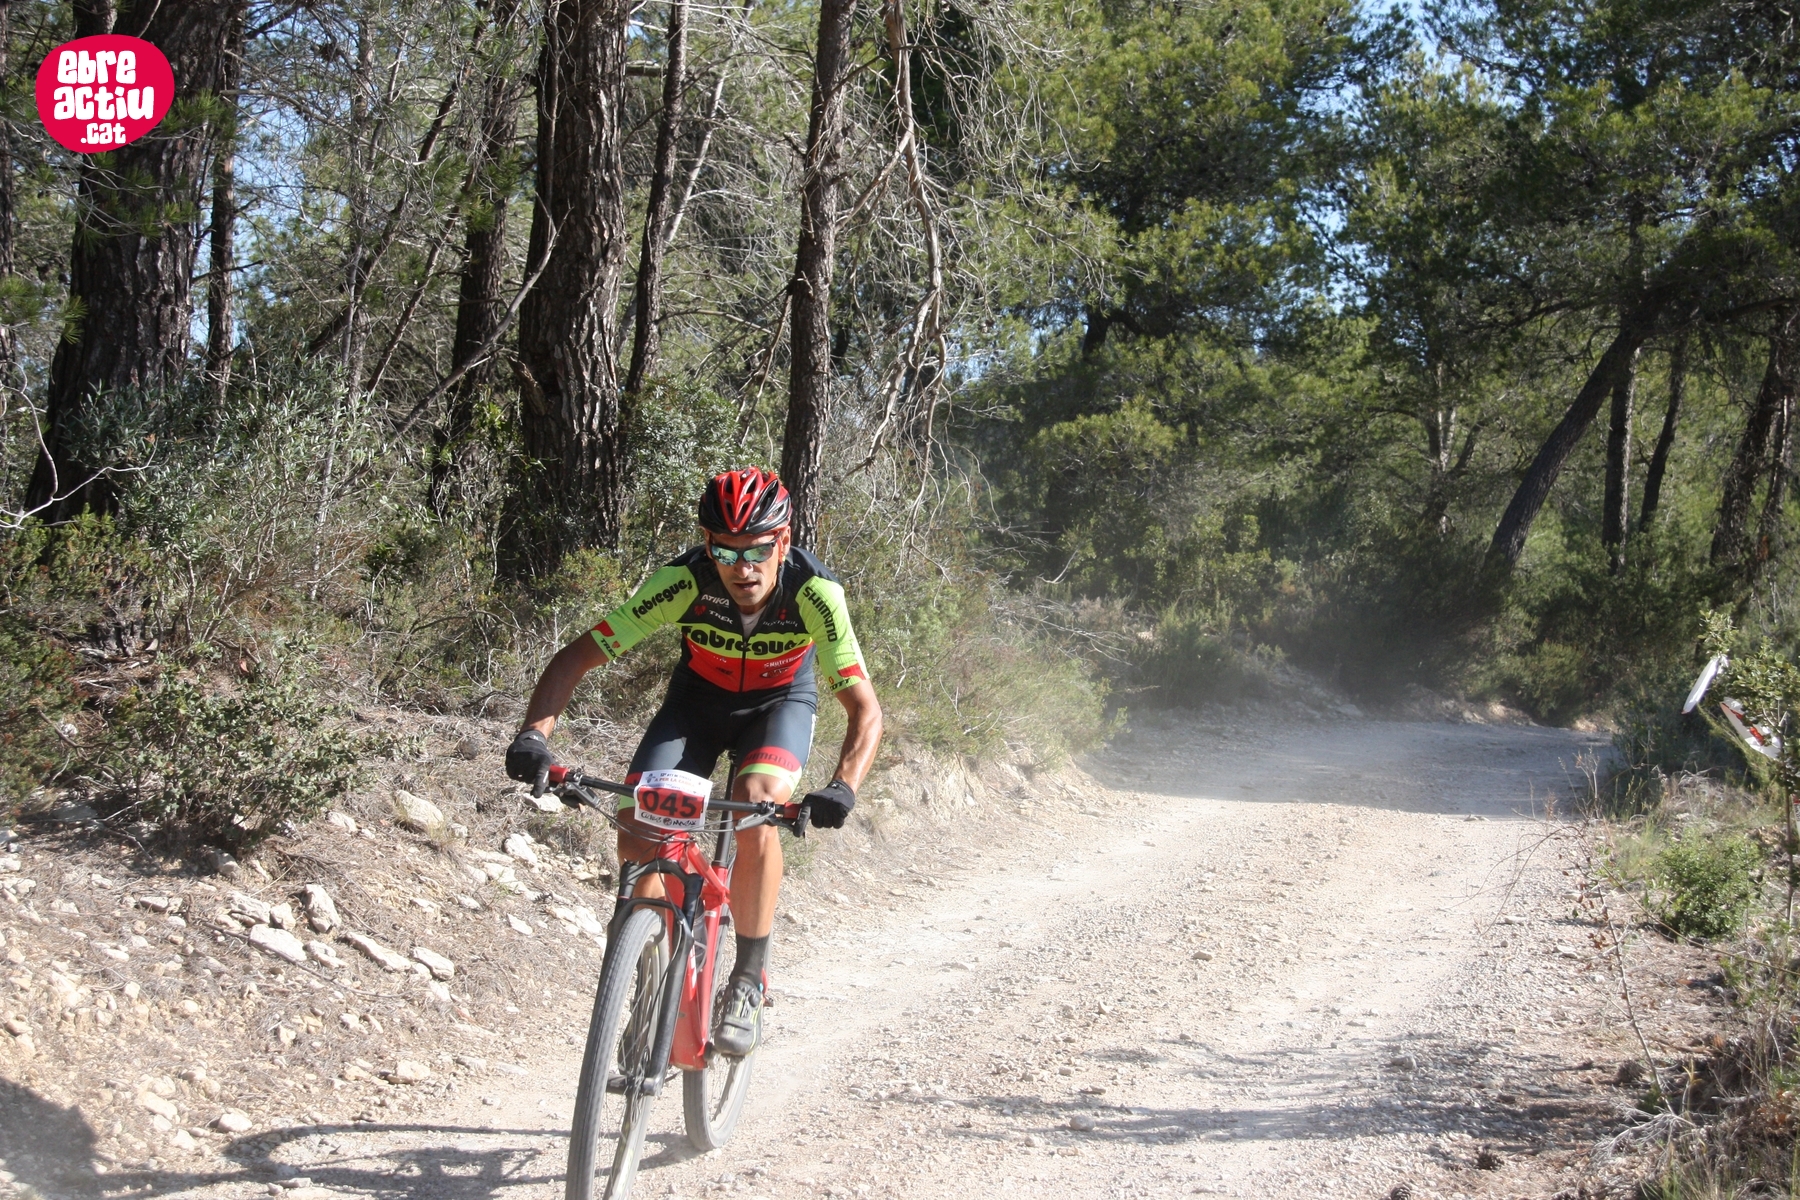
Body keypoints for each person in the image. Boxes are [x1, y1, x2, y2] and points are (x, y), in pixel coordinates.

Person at [504, 467, 883, 1057]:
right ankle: (647, 973)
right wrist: (534, 734)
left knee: (755, 805)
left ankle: (748, 980)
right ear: (708, 545)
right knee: (638, 824)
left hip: (780, 706)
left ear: (783, 541)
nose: (742, 567)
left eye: (757, 550)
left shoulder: (814, 592)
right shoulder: (683, 582)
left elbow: (864, 708)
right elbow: (577, 656)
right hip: (696, 706)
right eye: (726, 551)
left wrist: (843, 786)